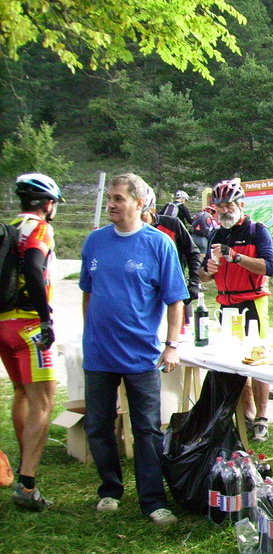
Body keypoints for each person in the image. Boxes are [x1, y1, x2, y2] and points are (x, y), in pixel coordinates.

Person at [80, 172, 189, 526]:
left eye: (118, 199)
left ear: (139, 203)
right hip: (98, 354)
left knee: (146, 429)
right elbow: (88, 292)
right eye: (109, 198)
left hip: (140, 354)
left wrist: (171, 345)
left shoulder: (159, 244)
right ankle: (110, 491)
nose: (110, 204)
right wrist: (90, 331)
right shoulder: (94, 242)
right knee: (98, 425)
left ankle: (153, 501)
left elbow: (176, 301)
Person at [199, 177, 273, 443]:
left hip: (252, 301)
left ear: (241, 204)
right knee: (234, 362)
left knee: (258, 360)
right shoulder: (215, 234)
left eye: (228, 204)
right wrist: (207, 271)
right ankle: (247, 413)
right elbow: (203, 275)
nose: (223, 210)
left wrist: (236, 257)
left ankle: (263, 418)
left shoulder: (257, 230)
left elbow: (269, 267)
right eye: (218, 206)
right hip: (225, 304)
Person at [2, 173, 62, 510]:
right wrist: (45, 318)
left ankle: (27, 461)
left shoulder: (9, 226)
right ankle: (27, 486)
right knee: (43, 400)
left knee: (21, 392)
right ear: (47, 203)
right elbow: (36, 267)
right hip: (28, 327)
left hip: (2, 324)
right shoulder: (39, 228)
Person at [141, 187, 202, 324]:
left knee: (182, 334)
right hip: (145, 294)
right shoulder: (132, 231)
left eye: (142, 215)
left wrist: (194, 283)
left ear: (153, 210)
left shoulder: (172, 224)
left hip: (175, 290)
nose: (139, 221)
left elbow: (192, 253)